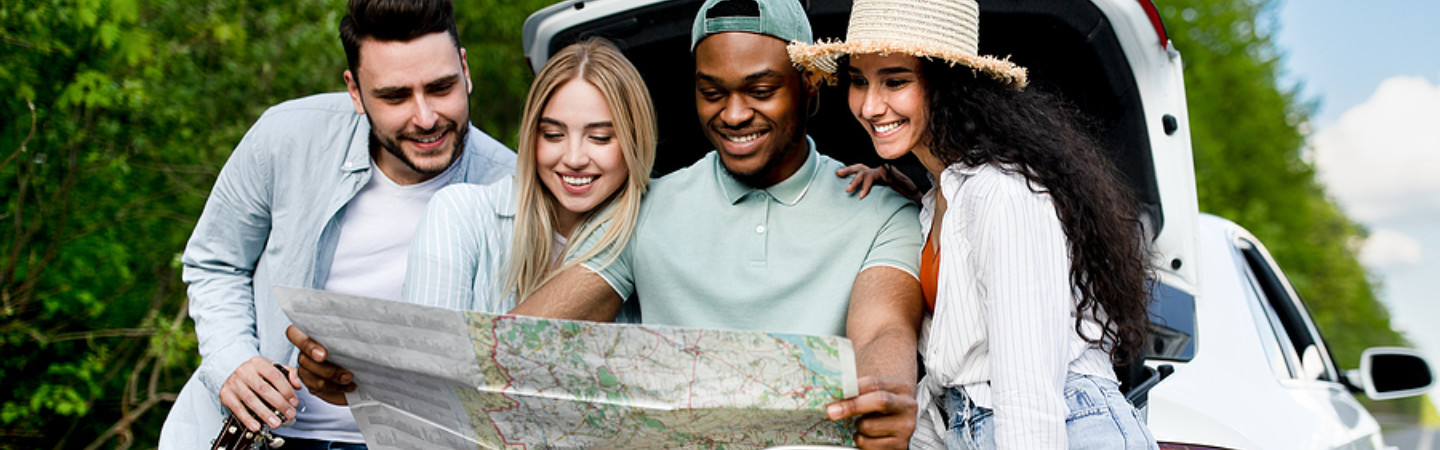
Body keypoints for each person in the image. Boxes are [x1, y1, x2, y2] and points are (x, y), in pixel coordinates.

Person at [292, 0, 923, 447]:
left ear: (810, 87)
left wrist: (892, 392)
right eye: (712, 91)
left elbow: (884, 331)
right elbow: (516, 346)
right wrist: (363, 373)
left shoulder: (878, 207)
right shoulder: (644, 207)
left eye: (761, 90)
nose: (733, 113)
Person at [790, 0, 1159, 448]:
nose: (870, 106)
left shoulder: (1003, 193)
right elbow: (955, 387)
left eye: (896, 81)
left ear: (949, 84)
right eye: (858, 81)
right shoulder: (940, 198)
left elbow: (1028, 395)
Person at [157, 0, 516, 447]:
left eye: (441, 88)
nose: (425, 118)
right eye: (394, 96)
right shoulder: (284, 136)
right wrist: (232, 362)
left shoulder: (515, 190)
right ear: (355, 91)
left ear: (464, 69)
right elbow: (215, 262)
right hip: (252, 437)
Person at [403, 37, 655, 317]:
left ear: (635, 140)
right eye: (553, 135)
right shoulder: (460, 215)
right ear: (531, 136)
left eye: (599, 138)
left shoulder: (655, 229)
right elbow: (426, 353)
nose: (573, 158)